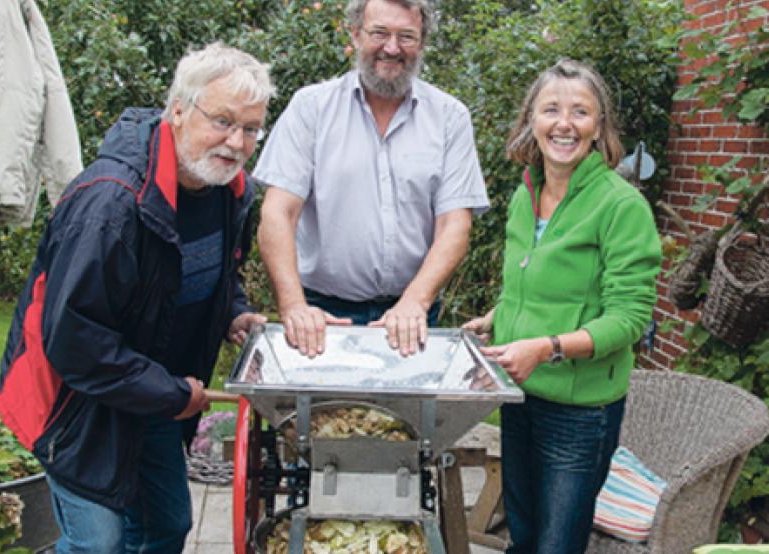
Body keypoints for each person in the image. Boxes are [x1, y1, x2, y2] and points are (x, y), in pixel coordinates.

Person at [0, 43, 274, 553]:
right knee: (97, 544)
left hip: (156, 393)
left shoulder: (230, 191)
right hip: (78, 404)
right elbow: (75, 341)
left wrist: (232, 311)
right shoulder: (110, 206)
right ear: (179, 109)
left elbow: (218, 272)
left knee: (167, 526)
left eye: (251, 128)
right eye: (223, 121)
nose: (236, 142)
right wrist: (172, 395)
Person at [462, 59, 662, 553]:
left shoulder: (621, 205)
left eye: (580, 112)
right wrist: (497, 318)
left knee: (556, 545)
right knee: (523, 535)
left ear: (599, 127)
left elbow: (629, 317)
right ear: (532, 119)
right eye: (551, 109)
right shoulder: (525, 194)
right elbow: (530, 284)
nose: (564, 123)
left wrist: (547, 347)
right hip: (520, 393)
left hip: (579, 412)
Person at [254, 0, 489, 357]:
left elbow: (454, 225)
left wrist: (415, 302)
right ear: (355, 35)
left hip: (412, 314)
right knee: (316, 413)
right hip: (321, 314)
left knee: (406, 415)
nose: (392, 48)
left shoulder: (450, 117)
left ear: (422, 42)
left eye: (406, 36)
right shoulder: (310, 108)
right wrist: (293, 306)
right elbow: (277, 214)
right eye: (379, 33)